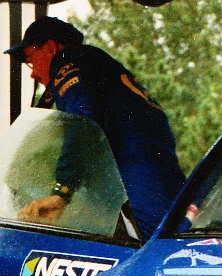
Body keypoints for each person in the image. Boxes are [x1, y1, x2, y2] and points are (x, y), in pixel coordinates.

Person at [5, 16, 185, 236]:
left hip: (135, 173)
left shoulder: (67, 61)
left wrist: (62, 191)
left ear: (51, 48)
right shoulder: (98, 63)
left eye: (31, 59)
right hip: (159, 169)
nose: (33, 72)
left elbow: (81, 123)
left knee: (147, 242)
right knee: (173, 236)